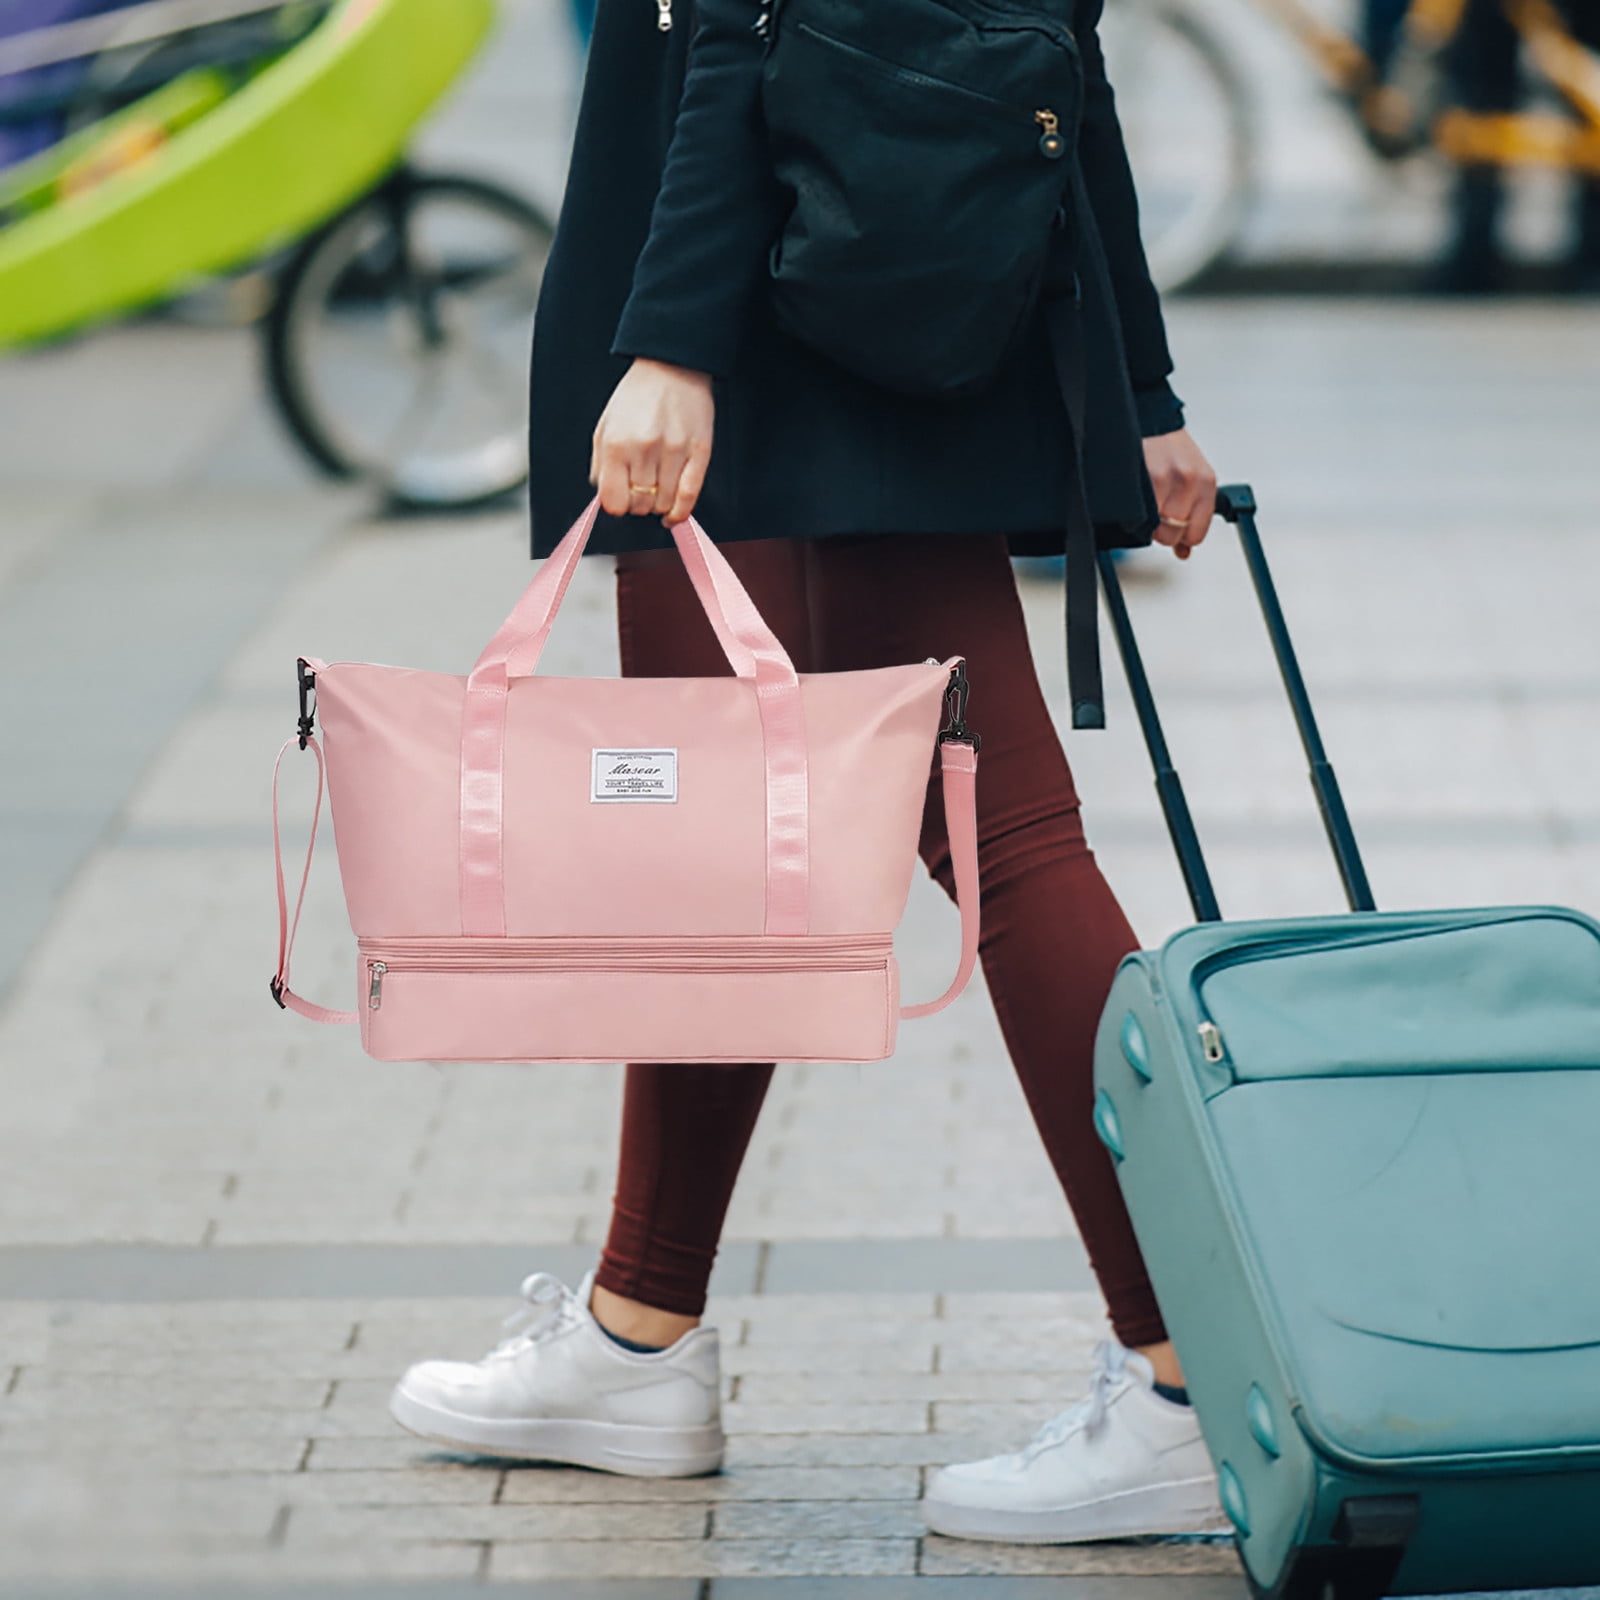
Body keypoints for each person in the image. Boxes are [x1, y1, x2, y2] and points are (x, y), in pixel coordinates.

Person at [387, 0, 1226, 1544]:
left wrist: (674, 343)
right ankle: (639, 1331)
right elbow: (1059, 49)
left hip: (768, 303)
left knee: (1007, 840)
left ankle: (1189, 1377)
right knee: (729, 844)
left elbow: (732, 32)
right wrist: (1147, 387)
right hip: (873, 265)